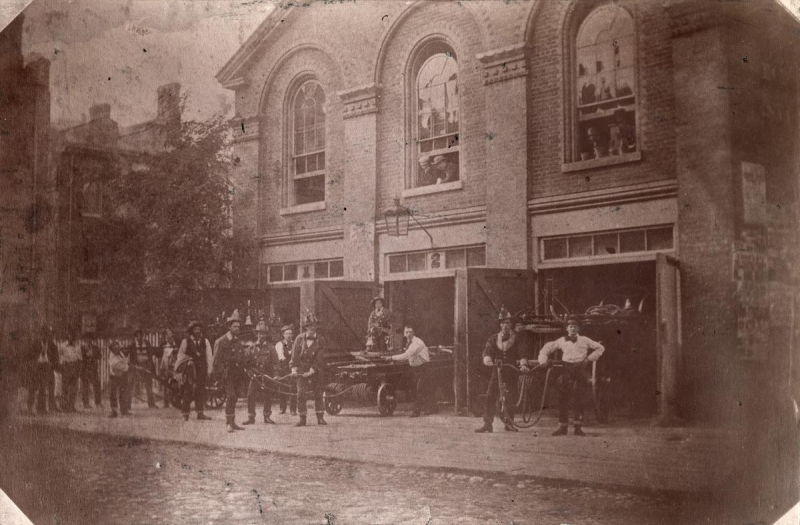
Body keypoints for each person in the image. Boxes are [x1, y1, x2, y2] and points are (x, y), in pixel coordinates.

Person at [538, 317, 605, 437]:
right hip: (566, 369)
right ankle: (562, 428)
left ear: (578, 328)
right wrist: (543, 360)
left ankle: (578, 428)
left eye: (575, 326)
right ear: (567, 328)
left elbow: (600, 348)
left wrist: (589, 359)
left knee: (579, 397)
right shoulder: (562, 340)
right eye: (570, 326)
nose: (572, 328)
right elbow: (547, 348)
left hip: (580, 369)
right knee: (563, 397)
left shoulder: (585, 340)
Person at [475, 308, 525, 433]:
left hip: (511, 371)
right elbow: (488, 350)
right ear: (500, 325)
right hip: (497, 371)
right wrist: (487, 359)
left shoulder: (517, 338)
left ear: (511, 324)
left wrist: (523, 364)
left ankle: (509, 423)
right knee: (490, 395)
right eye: (502, 323)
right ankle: (487, 424)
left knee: (511, 397)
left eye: (507, 323)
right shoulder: (493, 338)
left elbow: (522, 352)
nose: (505, 326)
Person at [383, 325, 431, 417]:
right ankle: (433, 407)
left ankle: (416, 412)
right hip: (415, 368)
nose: (408, 334)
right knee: (421, 389)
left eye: (410, 332)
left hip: (423, 368)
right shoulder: (408, 342)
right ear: (404, 334)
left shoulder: (417, 343)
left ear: (414, 333)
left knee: (419, 390)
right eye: (406, 332)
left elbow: (406, 355)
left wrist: (391, 358)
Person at [212, 310, 247, 433]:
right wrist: (219, 377)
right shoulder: (221, 342)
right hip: (226, 374)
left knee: (235, 397)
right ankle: (229, 423)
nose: (237, 328)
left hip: (237, 373)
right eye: (234, 326)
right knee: (230, 396)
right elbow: (216, 361)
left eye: (238, 326)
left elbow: (241, 358)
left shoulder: (238, 342)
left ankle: (233, 422)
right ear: (229, 327)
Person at [291, 311, 327, 427]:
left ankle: (320, 417)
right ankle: (302, 418)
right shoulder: (299, 339)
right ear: (306, 327)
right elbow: (295, 355)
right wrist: (294, 369)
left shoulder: (321, 340)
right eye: (309, 326)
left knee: (318, 393)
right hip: (301, 368)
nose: (312, 328)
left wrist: (312, 371)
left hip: (315, 369)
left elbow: (320, 358)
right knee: (301, 393)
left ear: (316, 327)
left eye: (313, 326)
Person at [175, 321, 214, 422]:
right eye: (195, 329)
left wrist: (209, 370)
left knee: (200, 390)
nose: (197, 331)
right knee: (187, 391)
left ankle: (200, 413)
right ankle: (185, 414)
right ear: (191, 331)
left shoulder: (205, 341)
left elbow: (209, 356)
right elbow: (180, 355)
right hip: (190, 370)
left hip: (201, 369)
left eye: (198, 329)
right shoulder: (186, 342)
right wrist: (188, 361)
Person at [242, 320, 277, 425]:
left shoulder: (271, 348)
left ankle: (267, 416)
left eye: (264, 333)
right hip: (255, 376)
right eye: (259, 333)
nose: (261, 335)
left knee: (267, 396)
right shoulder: (251, 347)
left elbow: (276, 363)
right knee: (250, 395)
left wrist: (276, 375)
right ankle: (251, 417)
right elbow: (246, 362)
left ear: (266, 335)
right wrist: (248, 370)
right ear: (257, 334)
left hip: (266, 375)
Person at [26, 325, 59, 415]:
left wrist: (52, 364)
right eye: (44, 334)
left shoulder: (52, 345)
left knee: (44, 387)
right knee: (33, 387)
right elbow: (28, 356)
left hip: (47, 367)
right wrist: (33, 364)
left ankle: (42, 408)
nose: (46, 336)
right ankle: (30, 407)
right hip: (36, 367)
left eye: (48, 334)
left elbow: (56, 358)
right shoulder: (35, 343)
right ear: (41, 334)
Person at [130, 329, 158, 408]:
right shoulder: (133, 345)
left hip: (146, 365)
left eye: (142, 335)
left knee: (149, 384)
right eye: (138, 335)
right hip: (137, 366)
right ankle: (127, 404)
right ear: (136, 337)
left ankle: (151, 404)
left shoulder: (147, 343)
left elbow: (150, 354)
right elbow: (132, 357)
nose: (140, 337)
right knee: (131, 383)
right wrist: (136, 366)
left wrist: (149, 365)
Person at [58, 329, 83, 413]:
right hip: (66, 366)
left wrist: (79, 369)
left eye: (73, 336)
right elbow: (60, 357)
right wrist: (62, 367)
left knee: (73, 388)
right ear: (67, 336)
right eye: (69, 335)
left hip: (74, 366)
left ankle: (71, 406)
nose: (71, 337)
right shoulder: (62, 346)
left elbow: (80, 359)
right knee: (64, 387)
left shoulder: (77, 346)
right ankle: (64, 406)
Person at [275, 325, 296, 415]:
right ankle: (282, 408)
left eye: (290, 334)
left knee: (293, 388)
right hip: (283, 368)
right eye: (287, 334)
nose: (289, 335)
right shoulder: (280, 344)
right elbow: (280, 357)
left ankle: (293, 409)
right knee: (282, 388)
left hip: (293, 368)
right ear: (283, 335)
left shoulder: (295, 343)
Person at [108, 341, 131, 417]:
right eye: (115, 349)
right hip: (115, 376)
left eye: (118, 348)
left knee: (123, 392)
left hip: (123, 375)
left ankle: (124, 410)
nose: (117, 350)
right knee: (113, 394)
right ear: (112, 350)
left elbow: (125, 362)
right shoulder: (112, 356)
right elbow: (116, 366)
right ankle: (114, 411)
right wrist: (127, 367)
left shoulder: (121, 353)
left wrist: (126, 366)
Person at [80, 332, 102, 409]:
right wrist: (87, 356)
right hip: (85, 368)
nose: (89, 340)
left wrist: (93, 355)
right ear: (85, 340)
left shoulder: (95, 347)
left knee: (97, 384)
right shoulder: (82, 347)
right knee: (85, 386)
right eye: (87, 339)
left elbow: (100, 356)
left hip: (93, 368)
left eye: (90, 339)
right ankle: (85, 403)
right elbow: (80, 357)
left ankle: (98, 403)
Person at [159, 328, 179, 408]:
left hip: (174, 363)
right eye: (166, 334)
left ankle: (176, 400)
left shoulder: (176, 342)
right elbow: (160, 353)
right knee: (166, 382)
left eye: (169, 333)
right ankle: (166, 402)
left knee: (175, 381)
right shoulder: (163, 343)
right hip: (166, 364)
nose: (168, 335)